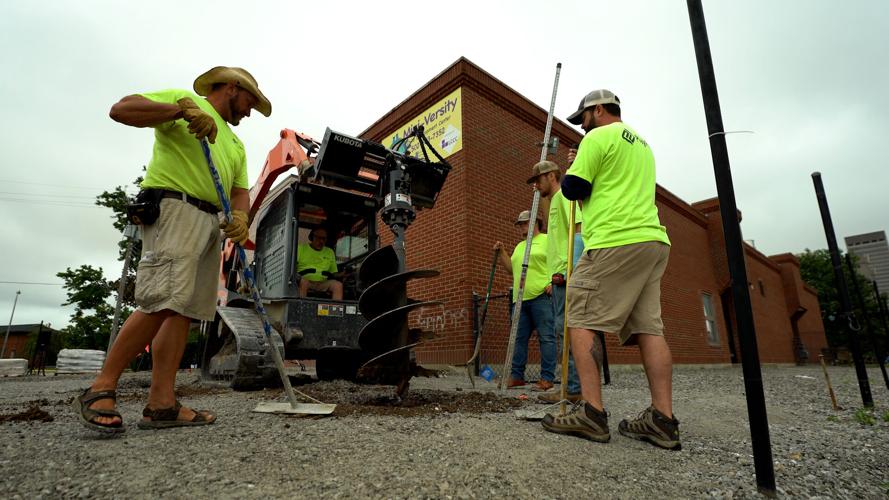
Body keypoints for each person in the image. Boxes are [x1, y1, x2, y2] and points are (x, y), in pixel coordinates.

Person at [72, 66, 271, 433]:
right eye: (249, 102)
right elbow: (122, 109)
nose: (249, 111)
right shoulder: (185, 100)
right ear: (231, 88)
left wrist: (241, 216)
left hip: (211, 221)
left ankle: (161, 402)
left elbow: (240, 189)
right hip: (176, 209)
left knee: (183, 311)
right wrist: (180, 111)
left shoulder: (236, 143)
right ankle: (100, 388)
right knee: (162, 299)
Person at [541, 89, 680, 450]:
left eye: (582, 118)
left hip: (614, 240)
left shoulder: (597, 137)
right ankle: (662, 420)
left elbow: (572, 190)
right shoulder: (642, 145)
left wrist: (573, 166)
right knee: (649, 327)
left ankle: (591, 412)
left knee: (579, 314)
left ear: (598, 110)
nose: (581, 125)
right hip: (652, 239)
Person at [526, 160, 585, 403]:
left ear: (551, 176)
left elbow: (579, 232)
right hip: (559, 276)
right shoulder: (554, 202)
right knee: (562, 331)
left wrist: (572, 271)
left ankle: (573, 389)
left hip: (566, 275)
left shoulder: (565, 198)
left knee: (568, 332)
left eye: (538, 180)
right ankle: (571, 387)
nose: (536, 186)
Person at [493, 210, 556, 391]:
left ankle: (547, 378)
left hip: (541, 297)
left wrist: (553, 281)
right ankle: (517, 376)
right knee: (518, 339)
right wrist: (502, 252)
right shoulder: (521, 246)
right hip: (519, 299)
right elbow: (511, 270)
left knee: (546, 338)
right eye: (519, 224)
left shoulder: (547, 240)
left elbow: (559, 261)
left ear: (535, 221)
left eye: (524, 222)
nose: (521, 226)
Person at [296, 227, 344, 300]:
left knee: (338, 285)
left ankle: (336, 310)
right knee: (304, 282)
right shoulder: (300, 248)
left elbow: (334, 274)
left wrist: (344, 273)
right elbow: (292, 268)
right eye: (318, 238)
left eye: (324, 239)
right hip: (306, 281)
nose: (321, 241)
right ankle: (301, 307)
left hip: (322, 283)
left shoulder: (329, 252)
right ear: (311, 237)